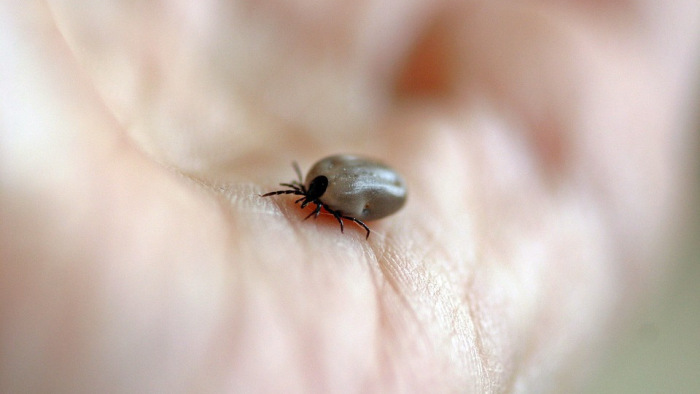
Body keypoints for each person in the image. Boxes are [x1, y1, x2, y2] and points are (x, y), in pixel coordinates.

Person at [1, 1, 698, 392]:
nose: (302, 204)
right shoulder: (329, 188)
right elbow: (353, 192)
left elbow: (349, 191)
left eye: (306, 199)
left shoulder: (329, 188)